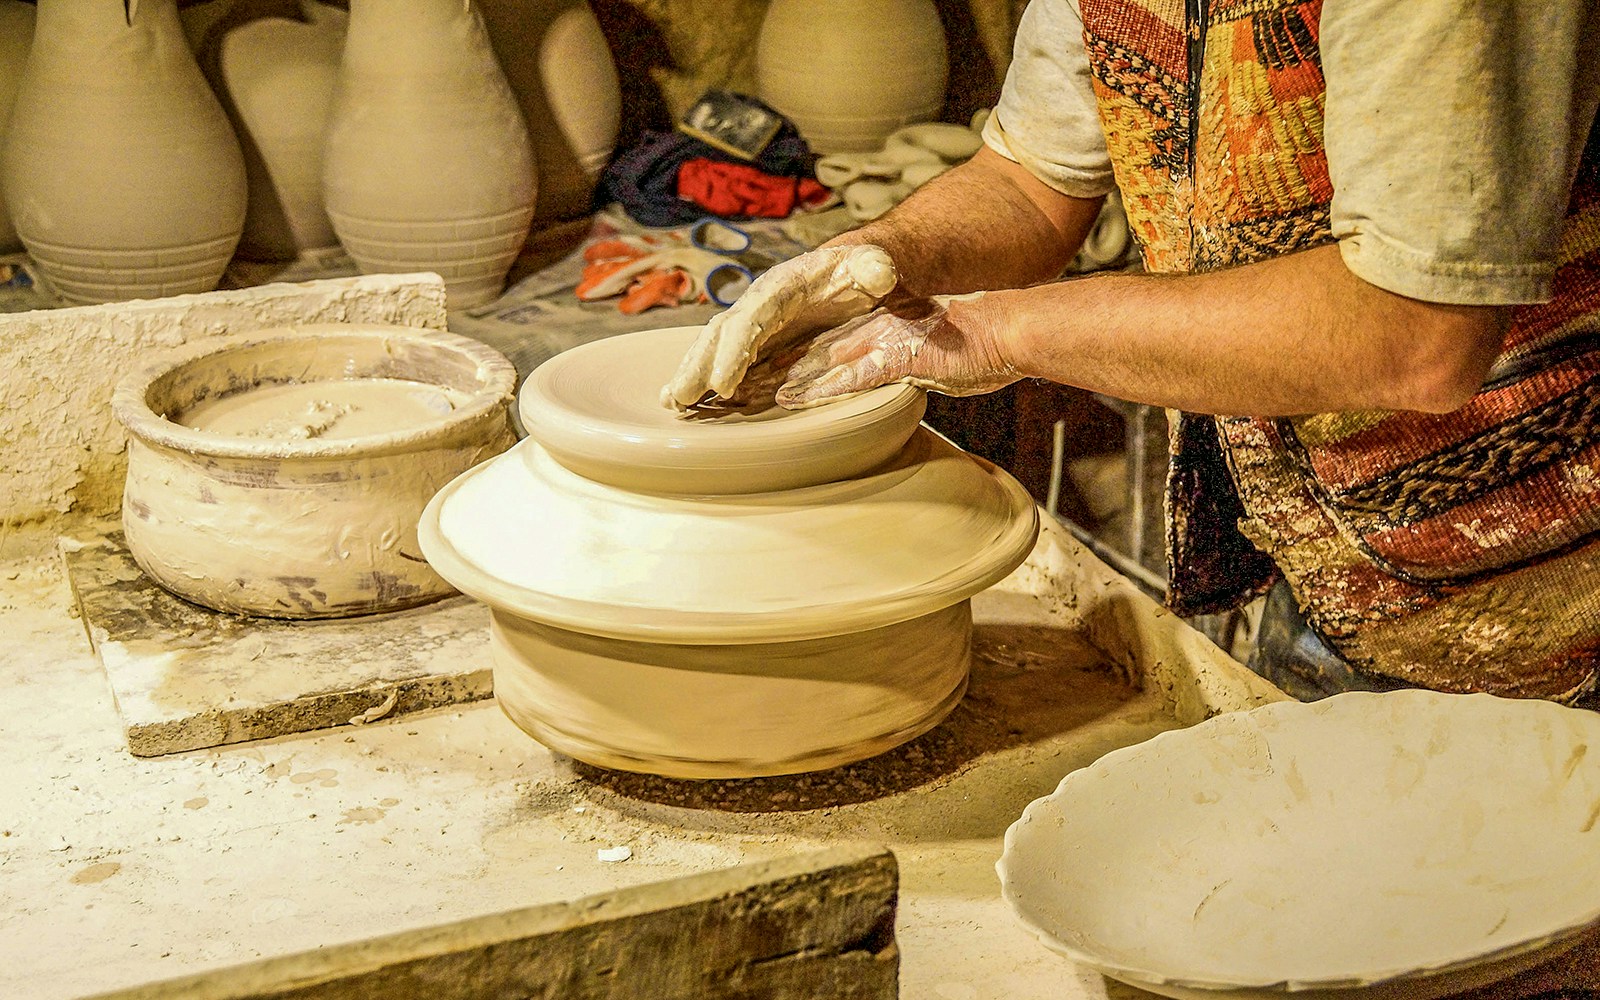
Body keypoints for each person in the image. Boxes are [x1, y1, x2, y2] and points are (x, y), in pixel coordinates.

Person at [663, 0, 1600, 704]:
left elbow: (1416, 335)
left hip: (1554, 582)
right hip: (1334, 558)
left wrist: (1003, 329)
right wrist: (874, 257)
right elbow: (1030, 184)